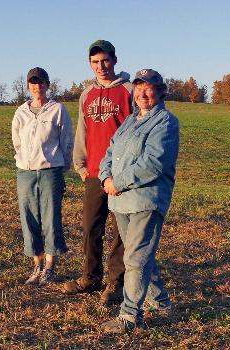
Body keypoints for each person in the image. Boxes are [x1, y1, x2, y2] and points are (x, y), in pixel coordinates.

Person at [98, 68, 178, 333]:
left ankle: (130, 316)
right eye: (139, 88)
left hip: (146, 200)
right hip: (121, 201)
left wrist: (116, 183)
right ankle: (162, 303)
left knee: (135, 258)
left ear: (160, 91)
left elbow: (152, 164)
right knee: (142, 255)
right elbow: (110, 151)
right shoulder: (130, 121)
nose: (143, 93)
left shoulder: (166, 122)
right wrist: (105, 177)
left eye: (149, 88)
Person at [61, 40, 130, 304]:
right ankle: (90, 277)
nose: (100, 67)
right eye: (95, 63)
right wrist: (80, 164)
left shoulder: (128, 90)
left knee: (120, 230)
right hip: (94, 172)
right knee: (91, 227)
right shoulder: (87, 94)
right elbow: (83, 130)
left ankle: (116, 282)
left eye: (105, 61)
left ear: (114, 60)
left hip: (121, 174)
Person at [12, 67, 73, 287]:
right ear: (28, 86)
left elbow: (66, 140)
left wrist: (60, 165)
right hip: (26, 172)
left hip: (50, 171)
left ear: (48, 85)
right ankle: (36, 264)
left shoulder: (57, 109)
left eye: (41, 82)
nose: (37, 87)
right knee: (29, 217)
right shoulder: (21, 112)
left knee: (50, 217)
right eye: (33, 83)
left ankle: (49, 267)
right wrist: (26, 160)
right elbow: (16, 141)